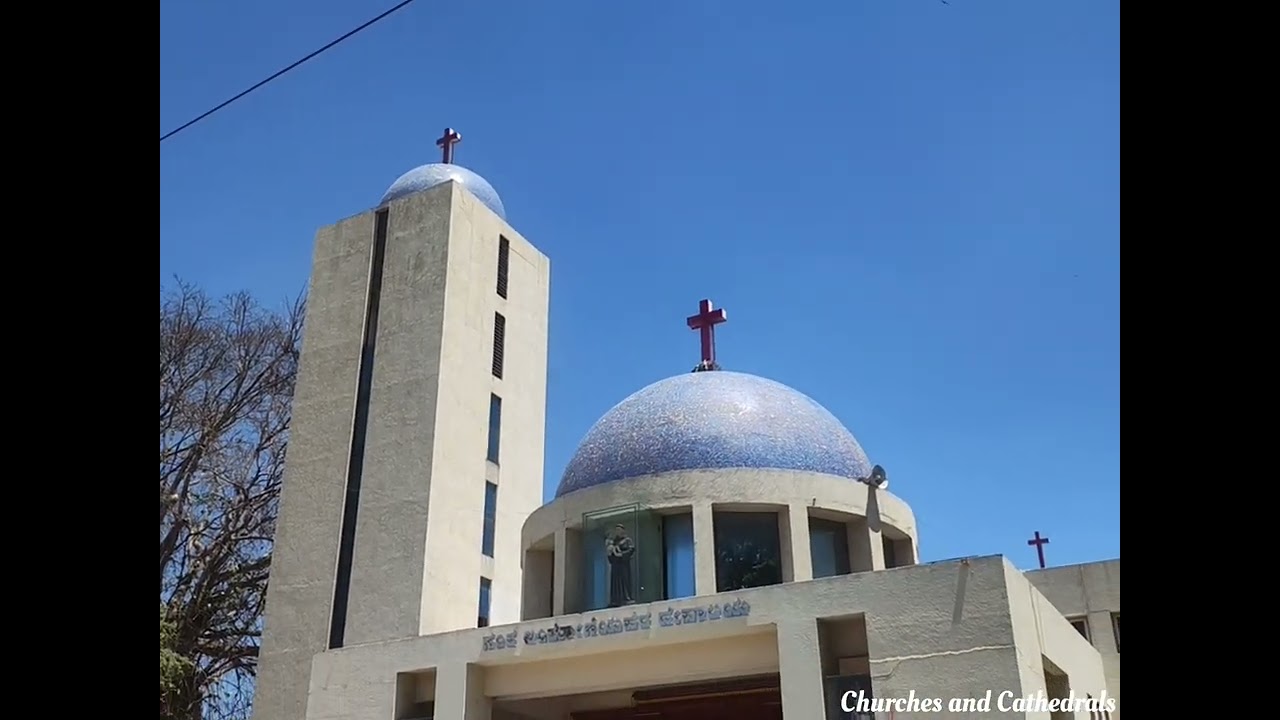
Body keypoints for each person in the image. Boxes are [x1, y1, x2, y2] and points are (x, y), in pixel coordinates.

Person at [605, 524, 636, 607]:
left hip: (623, 564)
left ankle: (626, 598)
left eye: (619, 530)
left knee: (624, 581)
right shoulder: (614, 542)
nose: (618, 532)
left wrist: (622, 554)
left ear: (623, 530)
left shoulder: (627, 540)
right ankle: (615, 599)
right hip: (616, 565)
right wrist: (610, 553)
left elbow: (631, 549)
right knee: (615, 582)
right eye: (616, 530)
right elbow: (610, 555)